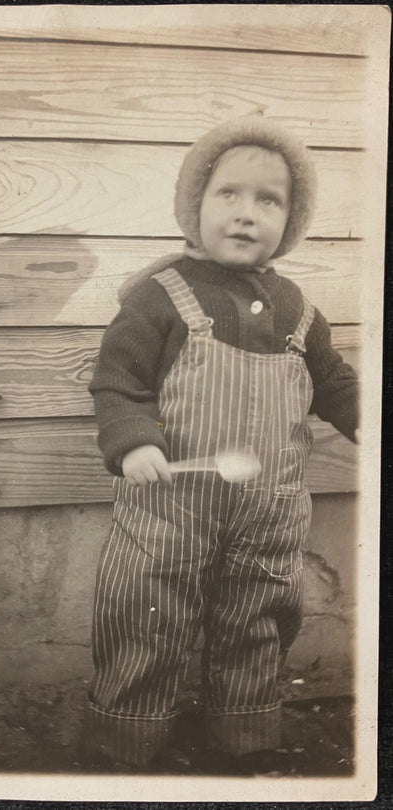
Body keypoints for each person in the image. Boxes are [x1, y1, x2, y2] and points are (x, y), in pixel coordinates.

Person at [83, 117, 359, 774]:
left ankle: (242, 738)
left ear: (289, 221)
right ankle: (128, 742)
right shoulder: (162, 295)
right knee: (145, 622)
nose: (245, 214)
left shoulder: (297, 309)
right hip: (167, 513)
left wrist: (361, 417)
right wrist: (131, 444)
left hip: (267, 517)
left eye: (268, 201)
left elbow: (333, 381)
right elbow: (118, 381)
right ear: (194, 205)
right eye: (228, 195)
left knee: (255, 622)